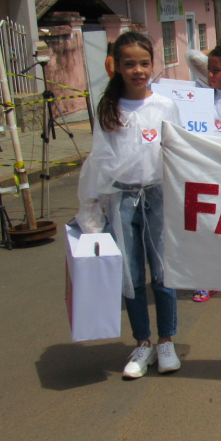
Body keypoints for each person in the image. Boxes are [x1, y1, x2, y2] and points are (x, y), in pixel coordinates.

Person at [75, 32, 183, 379]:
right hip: (121, 199)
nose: (138, 70)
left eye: (144, 63)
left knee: (163, 273)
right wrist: (91, 207)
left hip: (158, 196)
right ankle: (143, 342)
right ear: (116, 68)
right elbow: (98, 160)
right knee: (132, 275)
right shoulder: (109, 108)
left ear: (153, 65)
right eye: (130, 64)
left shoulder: (165, 106)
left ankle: (166, 341)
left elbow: (180, 152)